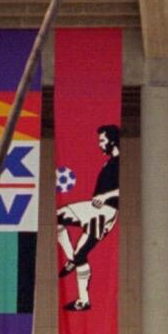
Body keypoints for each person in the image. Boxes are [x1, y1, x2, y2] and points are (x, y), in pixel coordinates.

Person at [56, 124, 121, 311]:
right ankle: (71, 259)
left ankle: (83, 301)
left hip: (104, 212)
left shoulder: (118, 163)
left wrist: (105, 196)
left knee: (81, 254)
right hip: (93, 209)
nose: (99, 144)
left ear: (112, 141)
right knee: (59, 220)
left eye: (102, 140)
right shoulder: (109, 162)